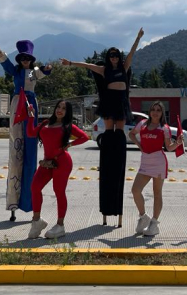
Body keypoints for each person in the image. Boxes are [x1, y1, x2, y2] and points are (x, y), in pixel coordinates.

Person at [61, 28, 144, 227]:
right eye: (111, 55)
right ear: (108, 58)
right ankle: (108, 151)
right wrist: (71, 63)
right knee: (109, 132)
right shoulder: (105, 70)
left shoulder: (124, 67)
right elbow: (89, 66)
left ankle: (117, 150)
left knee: (119, 134)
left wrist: (137, 38)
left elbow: (132, 53)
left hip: (121, 102)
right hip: (109, 101)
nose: (114, 58)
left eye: (116, 55)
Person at [0, 40, 52, 222]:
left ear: (31, 59)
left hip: (30, 106)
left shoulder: (34, 73)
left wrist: (48, 68)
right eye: (23, 58)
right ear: (20, 59)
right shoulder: (16, 71)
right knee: (16, 150)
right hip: (18, 104)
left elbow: (44, 72)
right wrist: (0, 51)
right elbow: (6, 63)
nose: (25, 60)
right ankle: (13, 202)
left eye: (28, 58)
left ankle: (29, 201)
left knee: (30, 149)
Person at [26, 100, 89, 239]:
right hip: (47, 163)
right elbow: (31, 133)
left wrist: (70, 144)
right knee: (35, 187)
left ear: (68, 112)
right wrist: (31, 116)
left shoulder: (67, 126)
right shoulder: (45, 123)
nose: (60, 110)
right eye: (58, 107)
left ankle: (60, 225)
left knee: (59, 192)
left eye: (64, 108)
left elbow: (85, 137)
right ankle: (37, 221)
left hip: (62, 162)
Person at [129, 101, 183, 236]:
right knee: (135, 190)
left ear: (162, 113)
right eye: (153, 109)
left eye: (158, 110)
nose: (155, 112)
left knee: (157, 193)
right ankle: (143, 217)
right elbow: (131, 134)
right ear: (150, 111)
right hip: (145, 163)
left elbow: (169, 147)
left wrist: (178, 143)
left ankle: (154, 224)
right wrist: (139, 145)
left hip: (159, 162)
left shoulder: (164, 128)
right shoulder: (142, 123)